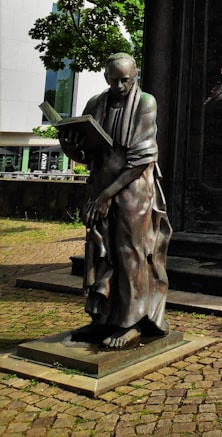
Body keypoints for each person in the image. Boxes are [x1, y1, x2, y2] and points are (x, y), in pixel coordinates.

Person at [59, 53, 172, 348]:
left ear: (135, 76)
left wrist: (106, 196)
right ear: (106, 77)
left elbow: (142, 158)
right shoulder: (95, 104)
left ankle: (131, 321)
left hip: (133, 190)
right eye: (114, 80)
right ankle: (103, 318)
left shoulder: (145, 102)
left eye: (126, 80)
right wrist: (70, 149)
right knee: (100, 250)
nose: (120, 86)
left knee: (129, 251)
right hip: (100, 185)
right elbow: (87, 153)